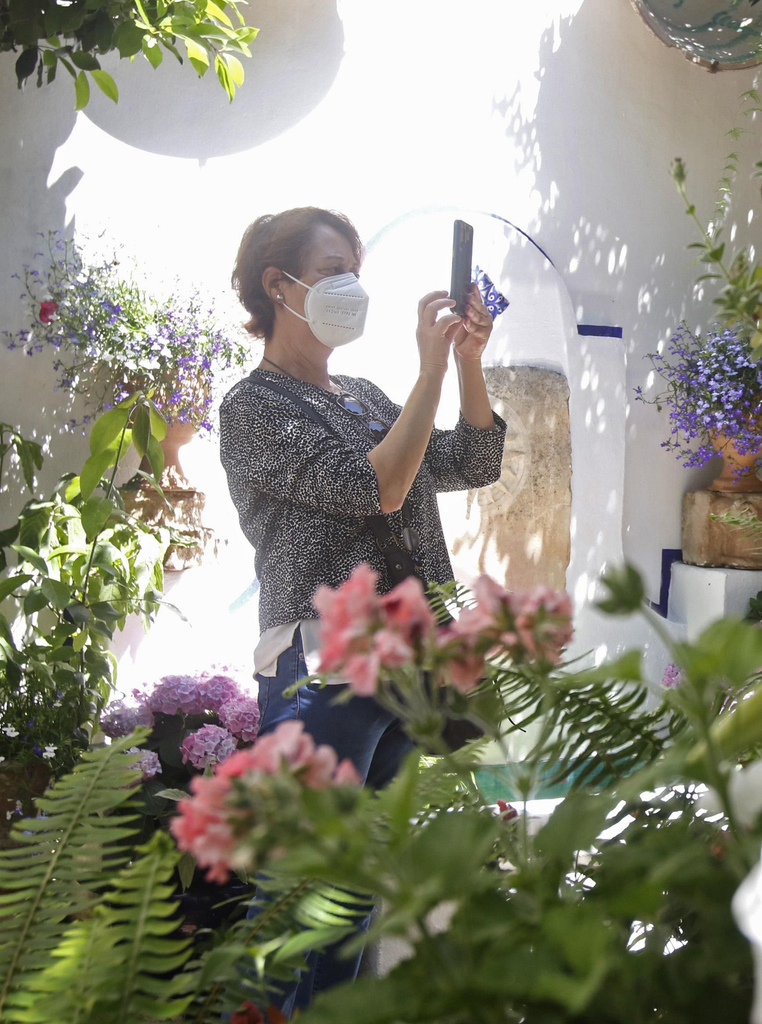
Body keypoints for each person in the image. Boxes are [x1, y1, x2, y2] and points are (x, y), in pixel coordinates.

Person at [218, 207, 506, 1010]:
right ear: (279, 285)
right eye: (334, 268)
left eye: (356, 268)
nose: (352, 284)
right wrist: (429, 374)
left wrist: (467, 364)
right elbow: (374, 486)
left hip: (406, 665)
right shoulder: (253, 408)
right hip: (323, 665)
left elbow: (472, 459)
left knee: (352, 903)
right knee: (302, 897)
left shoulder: (365, 396)